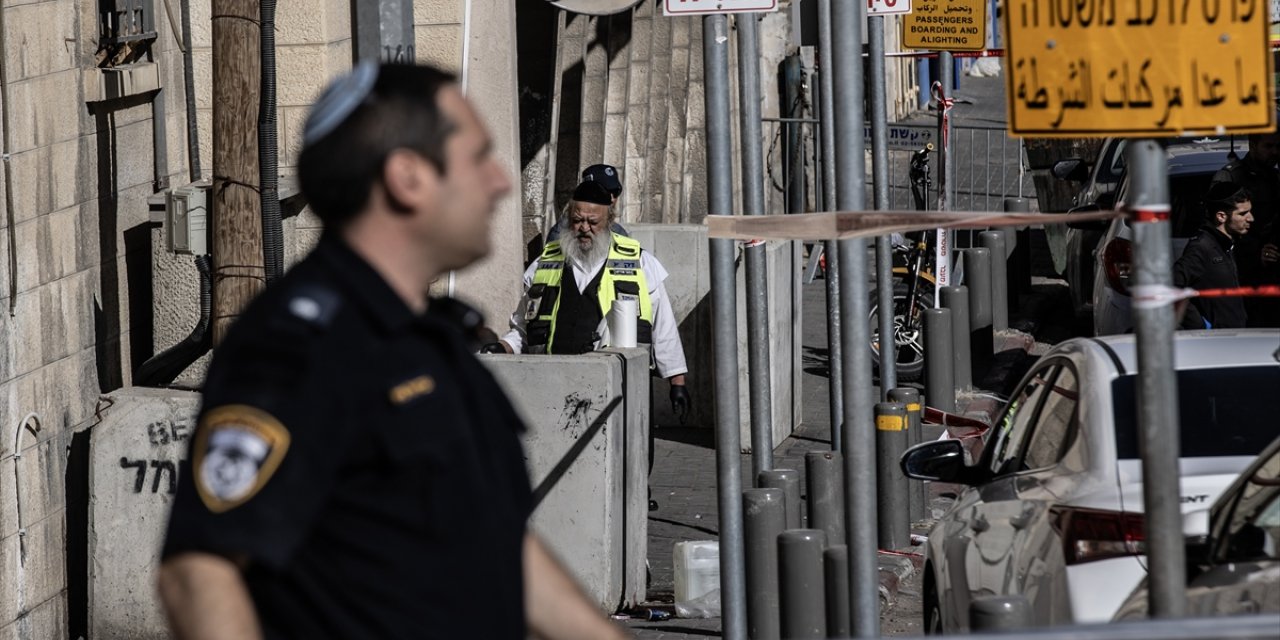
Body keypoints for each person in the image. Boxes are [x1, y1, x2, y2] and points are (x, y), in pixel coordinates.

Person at [157, 61, 628, 640]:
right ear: (408, 178)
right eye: (477, 158)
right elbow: (200, 572)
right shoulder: (302, 343)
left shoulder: (430, 339)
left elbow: (493, 545)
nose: (500, 182)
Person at [490, 180, 691, 422]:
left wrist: (677, 382)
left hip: (616, 391)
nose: (584, 228)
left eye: (593, 222)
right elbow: (523, 327)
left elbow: (663, 327)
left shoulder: (640, 263)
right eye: (577, 220)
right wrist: (502, 346)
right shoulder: (545, 263)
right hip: (553, 386)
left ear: (609, 221)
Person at [1212, 132, 1280, 326]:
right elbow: (1219, 229)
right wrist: (1257, 252)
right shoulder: (1231, 177)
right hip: (1242, 279)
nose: (1275, 152)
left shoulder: (1275, 178)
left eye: (1278, 146)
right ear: (1252, 145)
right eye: (1268, 146)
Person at [1174, 182, 1253, 330]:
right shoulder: (1202, 247)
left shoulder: (1230, 244)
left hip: (1239, 337)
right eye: (1243, 214)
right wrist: (1200, 324)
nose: (1251, 218)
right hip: (1217, 343)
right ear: (1221, 216)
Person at [546, 163, 629, 242]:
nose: (612, 199)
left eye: (615, 193)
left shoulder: (619, 232)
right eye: (604, 193)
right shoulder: (562, 233)